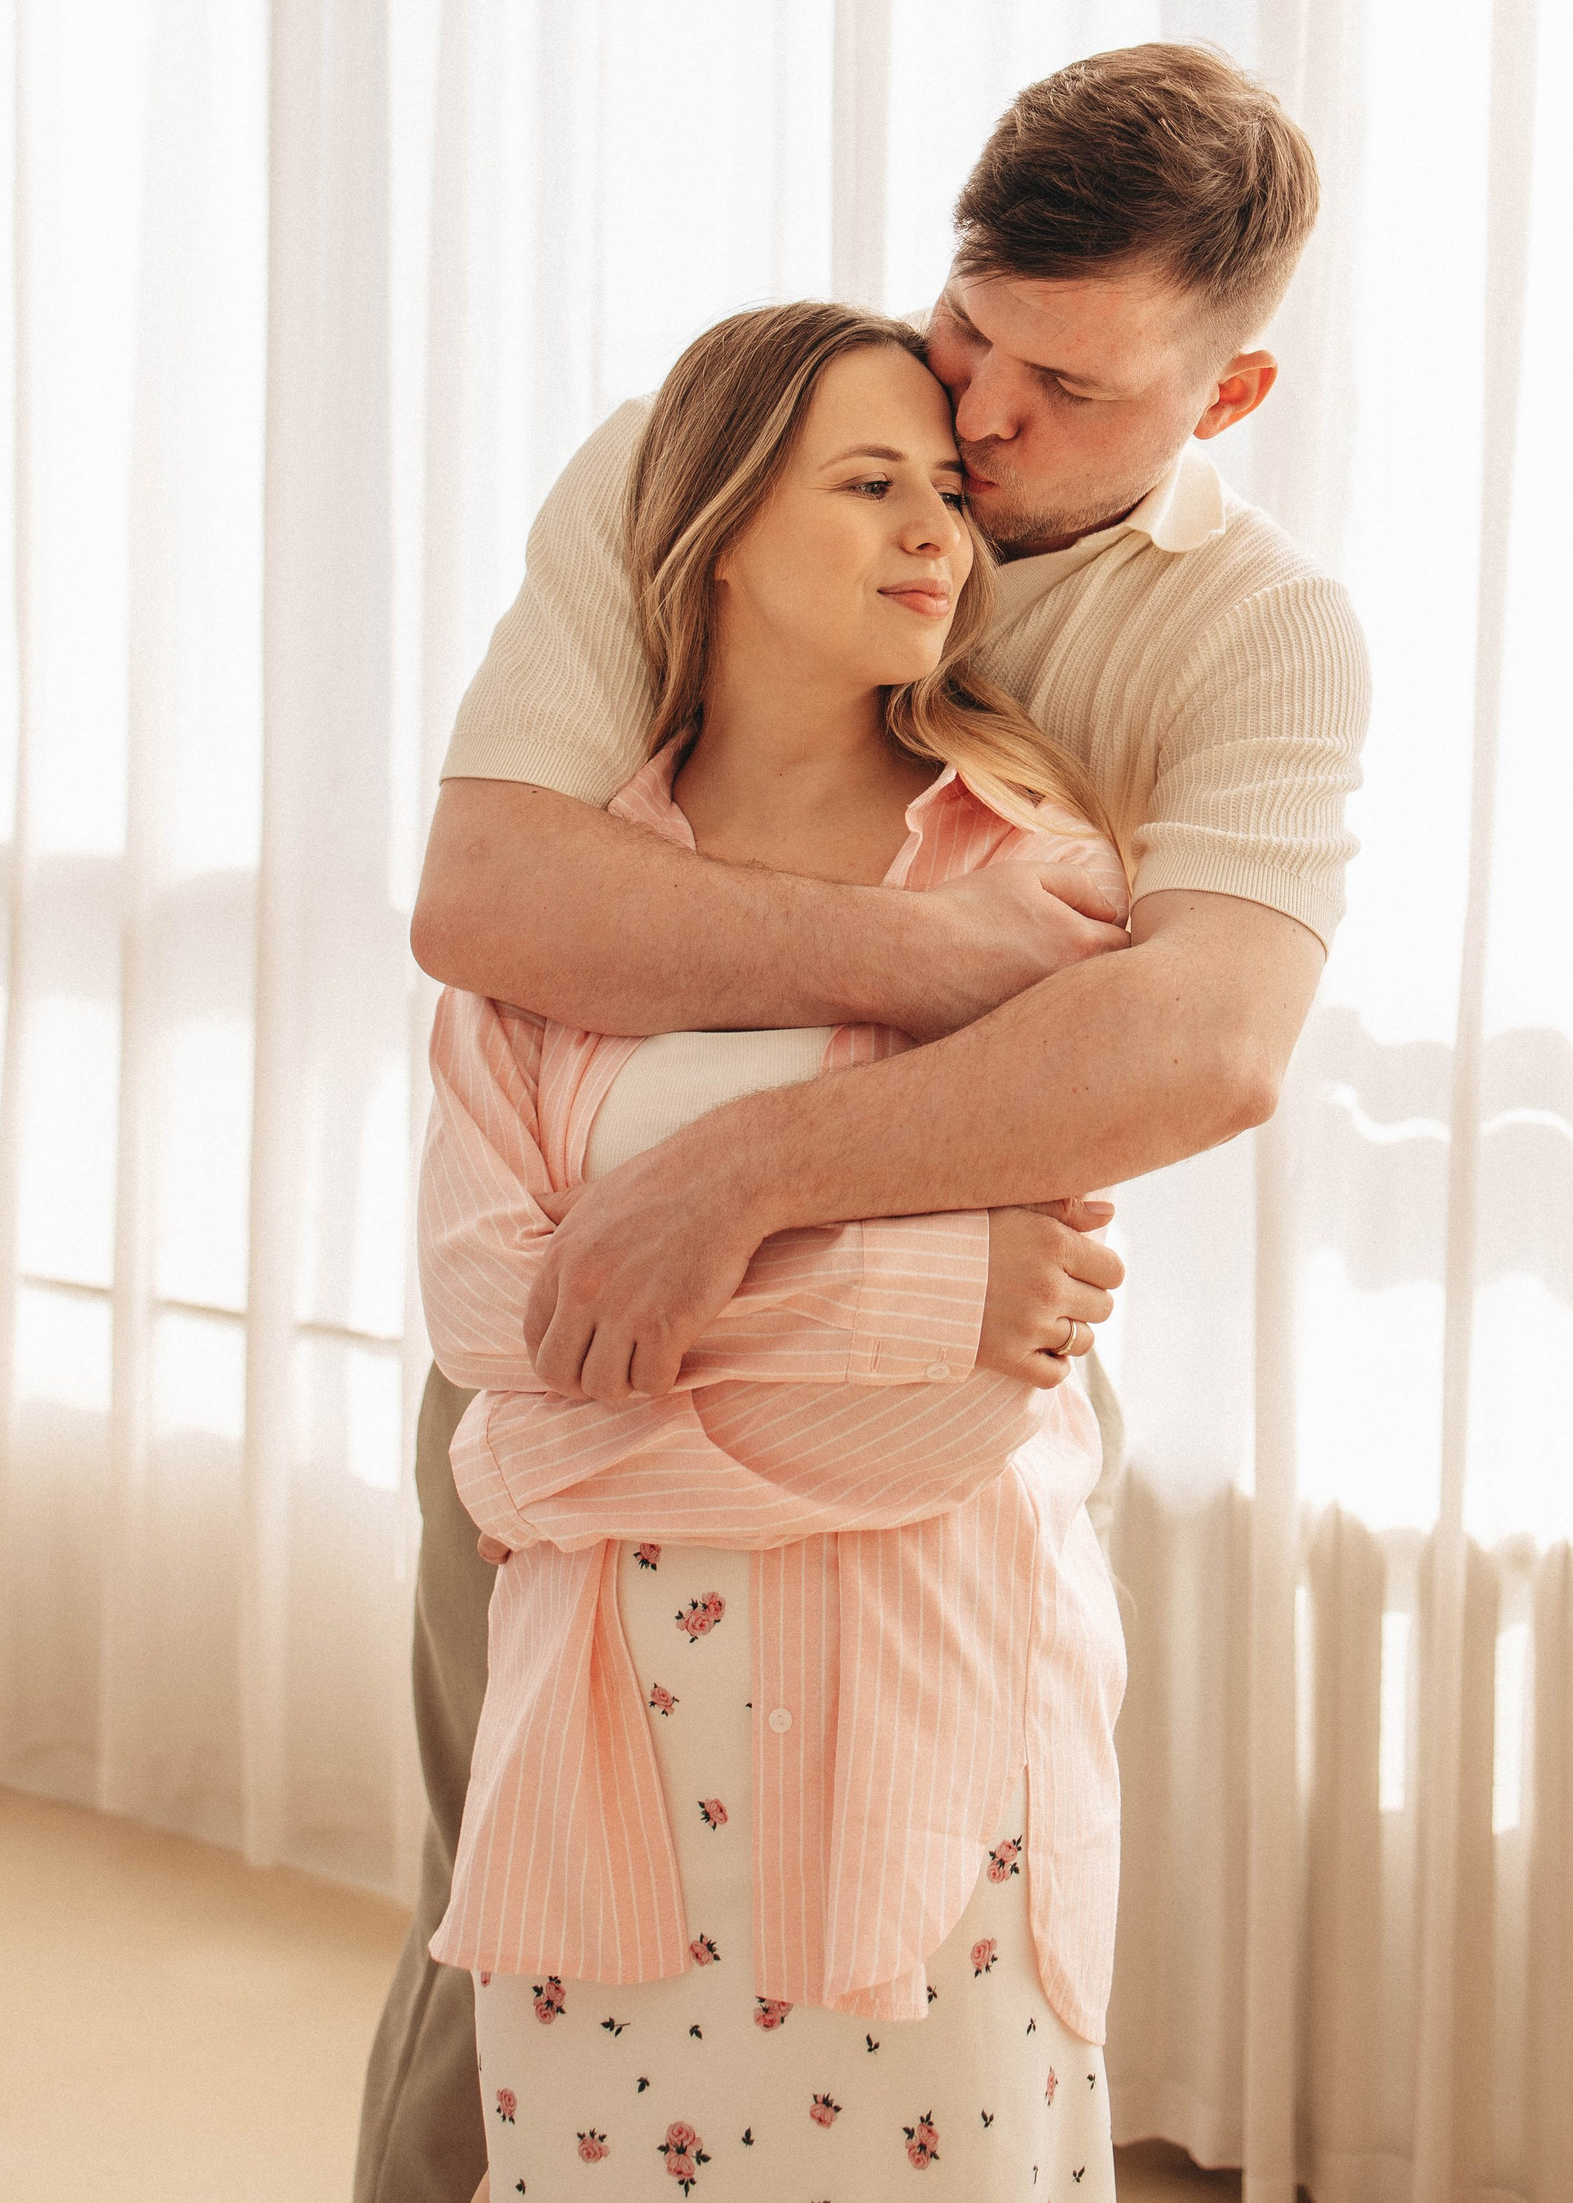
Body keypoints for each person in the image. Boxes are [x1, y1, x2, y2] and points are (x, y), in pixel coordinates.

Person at [354, 41, 1370, 2203]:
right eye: (970, 332)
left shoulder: (1258, 634)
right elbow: (493, 898)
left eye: (1067, 388)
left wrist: (734, 1187)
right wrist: (948, 963)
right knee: (498, 1947)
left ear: (1228, 397)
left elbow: (1203, 1044)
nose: (979, 429)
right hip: (573, 1361)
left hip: (934, 1386)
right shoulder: (717, 452)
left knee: (926, 1963)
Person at [424, 302, 1134, 2197]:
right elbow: (489, 1311)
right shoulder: (565, 895)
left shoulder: (1034, 880)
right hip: (603, 1750)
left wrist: (567, 1438)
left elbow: (958, 1423)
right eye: (870, 484)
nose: (937, 534)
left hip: (929, 1738)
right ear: (724, 525)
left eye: (948, 494)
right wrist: (923, 1286)